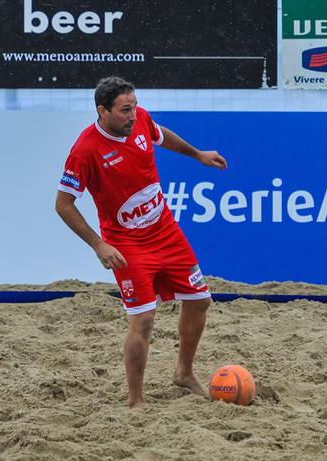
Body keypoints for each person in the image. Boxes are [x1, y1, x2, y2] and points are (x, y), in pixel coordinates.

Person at [55, 76, 227, 408]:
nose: (133, 115)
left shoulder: (141, 120)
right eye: (124, 110)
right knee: (144, 319)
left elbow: (160, 135)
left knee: (200, 300)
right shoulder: (85, 150)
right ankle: (136, 402)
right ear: (102, 111)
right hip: (126, 244)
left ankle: (184, 372)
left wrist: (197, 154)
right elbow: (63, 204)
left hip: (165, 231)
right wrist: (98, 245)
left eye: (134, 107)